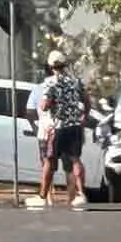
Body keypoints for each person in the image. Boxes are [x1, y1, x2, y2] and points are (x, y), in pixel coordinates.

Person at [26, 51, 90, 210]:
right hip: (74, 126)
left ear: (51, 66)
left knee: (49, 160)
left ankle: (42, 196)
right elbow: (87, 102)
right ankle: (81, 195)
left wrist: (46, 103)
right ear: (65, 65)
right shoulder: (76, 82)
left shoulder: (50, 83)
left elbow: (45, 105)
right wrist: (83, 118)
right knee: (75, 159)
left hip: (58, 127)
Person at [25, 70, 55, 206]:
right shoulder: (61, 86)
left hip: (44, 129)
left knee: (46, 161)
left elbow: (30, 111)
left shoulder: (38, 89)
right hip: (57, 128)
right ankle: (67, 196)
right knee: (65, 161)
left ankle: (48, 196)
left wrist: (36, 126)